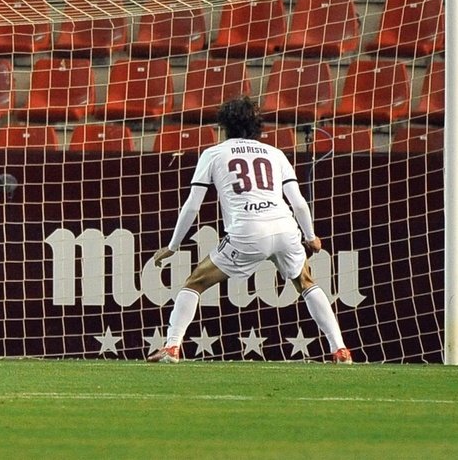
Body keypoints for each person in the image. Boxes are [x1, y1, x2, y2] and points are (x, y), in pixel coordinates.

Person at [146, 96, 354, 365]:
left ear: (224, 124)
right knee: (305, 282)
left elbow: (192, 206)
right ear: (258, 125)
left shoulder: (214, 153)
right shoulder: (275, 153)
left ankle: (172, 347)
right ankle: (340, 350)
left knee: (194, 283)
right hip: (284, 226)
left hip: (248, 231)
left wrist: (173, 246)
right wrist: (310, 236)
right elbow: (299, 203)